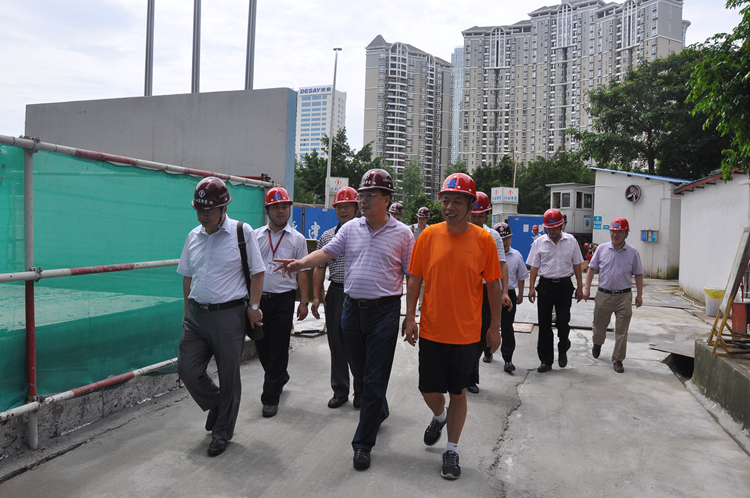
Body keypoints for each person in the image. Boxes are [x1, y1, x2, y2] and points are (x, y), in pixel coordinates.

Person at [274, 168, 414, 472]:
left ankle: (362, 444)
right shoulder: (350, 229)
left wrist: (412, 316)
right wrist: (300, 263)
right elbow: (325, 254)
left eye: (370, 195)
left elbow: (413, 275)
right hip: (351, 310)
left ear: (386, 199)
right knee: (361, 374)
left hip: (384, 313)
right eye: (362, 195)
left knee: (373, 379)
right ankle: (380, 408)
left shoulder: (403, 234)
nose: (363, 200)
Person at [403, 173, 502, 480]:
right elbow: (415, 278)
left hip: (466, 334)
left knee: (458, 392)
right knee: (428, 390)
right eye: (445, 200)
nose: (450, 207)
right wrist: (410, 317)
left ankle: (452, 450)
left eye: (457, 201)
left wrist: (495, 326)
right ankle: (439, 416)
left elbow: (493, 285)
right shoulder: (428, 236)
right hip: (432, 330)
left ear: (470, 206)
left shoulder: (483, 240)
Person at [177, 177, 265, 457]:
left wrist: (253, 306)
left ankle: (222, 432)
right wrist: (186, 310)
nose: (204, 215)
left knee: (229, 376)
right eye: (199, 210)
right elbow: (187, 275)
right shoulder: (193, 236)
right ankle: (217, 403)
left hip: (229, 316)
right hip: (196, 316)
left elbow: (258, 272)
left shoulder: (242, 232)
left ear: (224, 208)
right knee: (187, 369)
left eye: (209, 210)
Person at [254, 187, 310, 418]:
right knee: (261, 346)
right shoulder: (255, 236)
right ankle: (279, 376)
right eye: (275, 207)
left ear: (289, 209)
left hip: (283, 300)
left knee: (278, 347)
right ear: (267, 210)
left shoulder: (297, 239)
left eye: (284, 206)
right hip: (258, 300)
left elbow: (303, 271)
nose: (280, 211)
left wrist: (304, 301)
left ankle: (270, 398)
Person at [311, 186, 363, 409]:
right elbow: (319, 267)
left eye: (347, 206)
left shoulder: (365, 233)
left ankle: (361, 392)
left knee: (358, 345)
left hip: (359, 294)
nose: (343, 211)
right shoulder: (327, 236)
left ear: (356, 208)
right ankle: (340, 391)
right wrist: (316, 297)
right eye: (339, 207)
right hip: (336, 291)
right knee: (337, 343)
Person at [582, 218, 644, 373]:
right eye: (613, 232)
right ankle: (597, 343)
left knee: (622, 331)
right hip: (604, 295)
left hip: (624, 296)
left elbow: (638, 274)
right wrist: (586, 288)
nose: (615, 235)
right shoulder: (601, 249)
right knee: (599, 326)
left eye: (619, 232)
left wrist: (639, 295)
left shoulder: (633, 253)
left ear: (626, 234)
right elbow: (591, 269)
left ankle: (618, 360)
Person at [526, 208, 584, 372]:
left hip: (564, 286)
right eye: (548, 228)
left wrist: (580, 287)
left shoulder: (571, 241)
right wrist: (531, 288)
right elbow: (534, 266)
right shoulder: (539, 242)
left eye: (554, 228)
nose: (551, 231)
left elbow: (577, 264)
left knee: (563, 321)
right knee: (544, 324)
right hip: (545, 286)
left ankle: (563, 345)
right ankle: (546, 360)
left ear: (561, 225)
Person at [467, 191, 511, 392]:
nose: (476, 219)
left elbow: (502, 264)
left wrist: (504, 291)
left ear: (487, 216)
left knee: (481, 334)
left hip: (485, 290)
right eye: (473, 215)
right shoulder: (459, 232)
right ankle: (462, 375)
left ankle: (471, 377)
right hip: (464, 290)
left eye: (481, 216)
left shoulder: (493, 236)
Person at [493, 222, 529, 372]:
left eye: (507, 238)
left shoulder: (516, 256)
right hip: (492, 294)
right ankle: (488, 351)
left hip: (509, 294)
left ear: (511, 239)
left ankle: (508, 359)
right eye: (501, 239)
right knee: (489, 324)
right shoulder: (489, 254)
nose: (504, 242)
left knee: (507, 327)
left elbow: (521, 277)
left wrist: (520, 294)